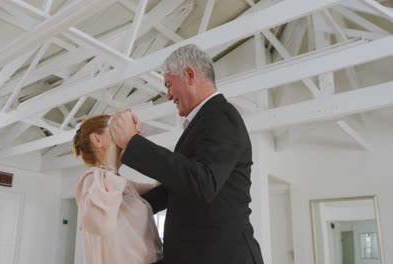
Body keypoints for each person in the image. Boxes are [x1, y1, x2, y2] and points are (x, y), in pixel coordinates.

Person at [109, 44, 264, 264]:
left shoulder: (221, 116)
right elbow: (179, 190)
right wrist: (119, 203)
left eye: (169, 85)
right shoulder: (204, 122)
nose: (168, 95)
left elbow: (203, 182)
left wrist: (134, 143)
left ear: (190, 75)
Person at [72, 114, 163, 264]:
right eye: (116, 128)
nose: (123, 133)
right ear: (97, 140)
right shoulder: (92, 179)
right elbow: (100, 223)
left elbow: (157, 186)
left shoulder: (122, 183)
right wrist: (110, 163)